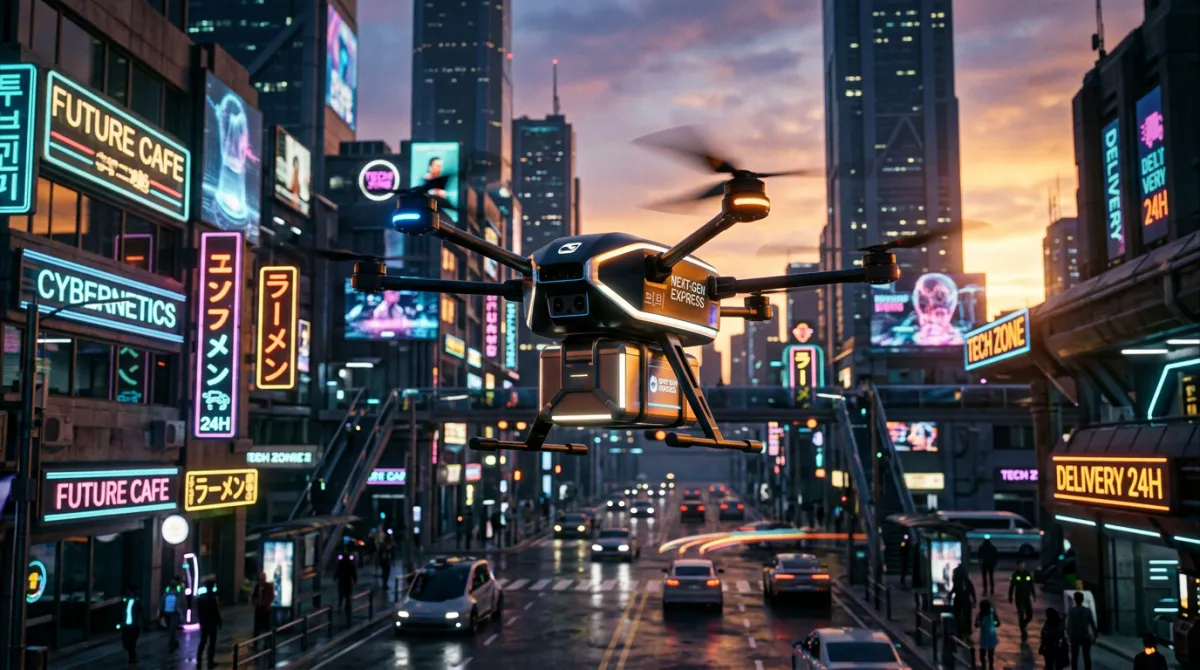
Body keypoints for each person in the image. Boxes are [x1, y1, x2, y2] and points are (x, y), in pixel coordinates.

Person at [1067, 591, 1098, 670]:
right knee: (1087, 657)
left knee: (1074, 657)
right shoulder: (1087, 611)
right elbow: (1092, 623)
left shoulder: (1071, 611)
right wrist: (1095, 634)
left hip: (1075, 636)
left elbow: (1069, 624)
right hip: (1085, 635)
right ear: (1082, 599)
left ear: (1075, 600)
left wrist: (1068, 635)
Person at [196, 578, 221, 669]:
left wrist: (201, 620)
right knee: (212, 642)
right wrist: (219, 622)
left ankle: (199, 659)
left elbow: (199, 611)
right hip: (212, 622)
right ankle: (210, 661)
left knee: (203, 641)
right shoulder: (213, 598)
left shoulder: (201, 598)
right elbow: (216, 611)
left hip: (204, 622)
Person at [1009, 560, 1036, 640]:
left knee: (1030, 615)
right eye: (1020, 565)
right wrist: (1010, 597)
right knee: (1021, 615)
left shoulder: (1027, 574)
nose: (1022, 567)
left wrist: (1034, 595)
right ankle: (1023, 633)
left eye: (1023, 565)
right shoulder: (1015, 575)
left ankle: (1023, 624)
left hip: (1027, 597)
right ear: (1017, 566)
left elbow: (1031, 585)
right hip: (1019, 598)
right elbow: (1012, 586)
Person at [119, 585, 143, 668]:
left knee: (131, 644)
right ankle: (133, 657)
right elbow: (122, 613)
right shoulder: (125, 601)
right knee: (126, 644)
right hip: (126, 626)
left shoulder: (137, 602)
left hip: (134, 627)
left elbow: (139, 613)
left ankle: (132, 662)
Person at [161, 575, 185, 653]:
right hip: (174, 613)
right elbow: (179, 604)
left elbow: (162, 602)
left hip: (167, 613)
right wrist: (181, 615)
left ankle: (173, 643)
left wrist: (160, 613)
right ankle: (172, 644)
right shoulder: (177, 593)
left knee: (170, 629)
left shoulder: (166, 593)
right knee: (172, 630)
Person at [975, 599, 1001, 670]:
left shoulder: (980, 615)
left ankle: (984, 666)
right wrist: (994, 624)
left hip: (984, 637)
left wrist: (980, 624)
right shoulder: (992, 614)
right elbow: (998, 623)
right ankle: (991, 667)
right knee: (990, 655)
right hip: (991, 636)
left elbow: (976, 624)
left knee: (982, 654)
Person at [251, 572, 275, 639]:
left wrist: (266, 603)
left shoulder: (268, 586)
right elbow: (254, 595)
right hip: (258, 607)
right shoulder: (257, 586)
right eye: (260, 578)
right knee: (257, 626)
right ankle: (256, 640)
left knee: (266, 626)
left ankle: (267, 640)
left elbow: (271, 596)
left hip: (265, 608)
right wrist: (254, 602)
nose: (261, 579)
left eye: (262, 578)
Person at [335, 553, 358, 623]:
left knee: (343, 595)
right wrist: (355, 579)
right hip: (346, 581)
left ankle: (343, 606)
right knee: (345, 594)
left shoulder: (343, 563)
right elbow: (353, 572)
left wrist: (335, 577)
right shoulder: (348, 564)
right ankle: (345, 607)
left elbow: (338, 570)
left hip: (344, 580)